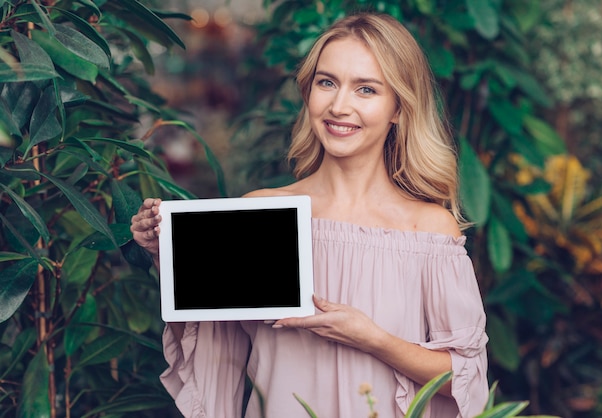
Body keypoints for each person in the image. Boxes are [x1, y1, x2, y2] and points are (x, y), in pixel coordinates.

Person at [131, 12, 489, 418]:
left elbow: (462, 376)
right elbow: (216, 340)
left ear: (398, 108)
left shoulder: (427, 230)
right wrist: (167, 252)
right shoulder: (261, 214)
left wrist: (373, 339)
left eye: (366, 89)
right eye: (327, 82)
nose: (339, 106)